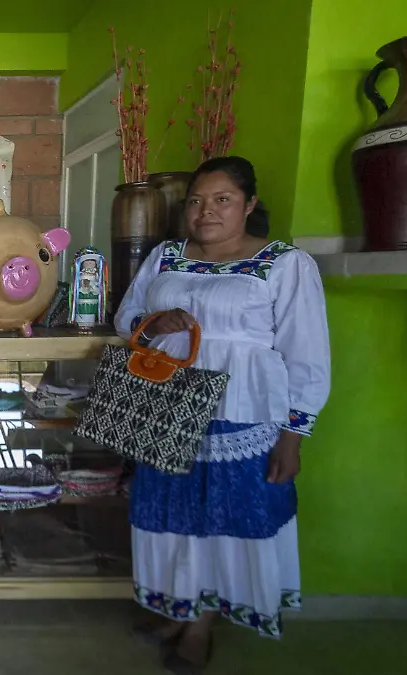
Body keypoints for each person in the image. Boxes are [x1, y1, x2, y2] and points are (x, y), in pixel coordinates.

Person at [114, 156, 330, 671]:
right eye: (196, 201)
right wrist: (153, 321)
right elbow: (126, 317)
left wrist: (293, 436)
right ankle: (179, 609)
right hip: (166, 406)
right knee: (172, 515)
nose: (205, 211)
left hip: (242, 411)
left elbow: (306, 352)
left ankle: (201, 625)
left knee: (224, 517)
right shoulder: (166, 257)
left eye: (222, 200)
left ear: (249, 205)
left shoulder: (283, 264)